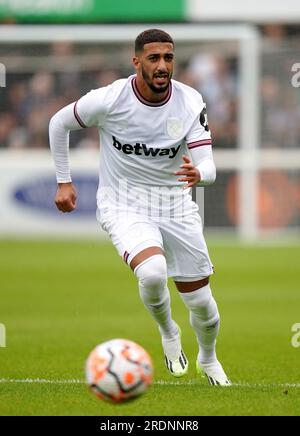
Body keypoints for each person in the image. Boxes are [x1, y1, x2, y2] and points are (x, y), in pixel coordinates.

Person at [49, 29, 231, 386]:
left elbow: (208, 164)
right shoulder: (109, 99)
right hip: (124, 202)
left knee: (202, 304)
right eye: (153, 58)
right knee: (151, 272)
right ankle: (168, 332)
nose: (162, 66)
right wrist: (63, 180)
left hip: (175, 203)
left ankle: (208, 359)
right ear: (136, 62)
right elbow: (59, 123)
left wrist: (200, 175)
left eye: (168, 58)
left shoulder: (190, 101)